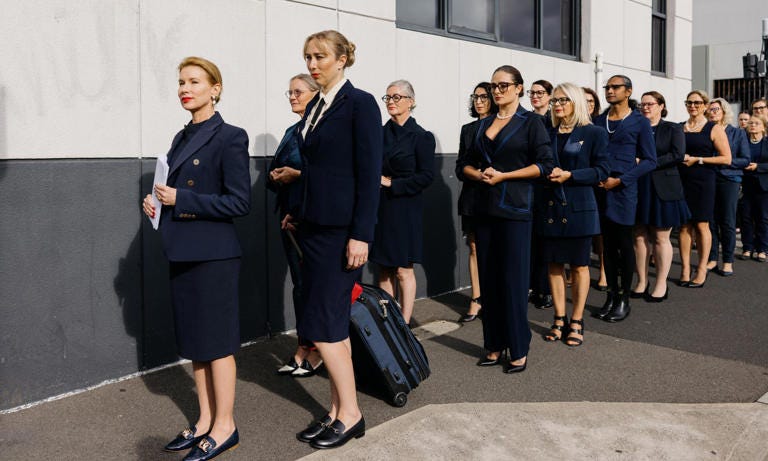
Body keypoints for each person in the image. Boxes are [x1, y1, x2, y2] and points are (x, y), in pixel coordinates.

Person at [142, 57, 251, 461]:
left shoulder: (231, 137)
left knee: (218, 344)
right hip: (183, 252)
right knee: (198, 344)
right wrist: (157, 205)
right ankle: (205, 420)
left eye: (194, 81)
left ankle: (226, 426)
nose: (184, 88)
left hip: (214, 256)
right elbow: (172, 191)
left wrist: (181, 199)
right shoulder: (181, 136)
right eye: (181, 82)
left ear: (215, 88)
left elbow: (240, 201)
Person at [290, 30, 382, 450]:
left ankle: (352, 414)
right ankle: (336, 410)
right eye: (308, 56)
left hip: (340, 234)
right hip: (313, 228)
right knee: (331, 325)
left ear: (343, 59)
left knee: (325, 327)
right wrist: (298, 207)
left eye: (321, 56)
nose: (313, 64)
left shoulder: (359, 103)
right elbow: (316, 169)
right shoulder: (317, 106)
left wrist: (361, 234)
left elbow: (367, 174)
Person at [463, 65, 554, 373]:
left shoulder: (532, 123)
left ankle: (518, 346)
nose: (497, 91)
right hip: (484, 208)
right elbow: (465, 163)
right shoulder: (481, 124)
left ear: (519, 88)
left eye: (504, 85)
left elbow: (544, 165)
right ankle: (493, 344)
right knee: (489, 282)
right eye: (494, 86)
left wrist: (504, 176)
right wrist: (480, 175)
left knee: (513, 281)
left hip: (515, 210)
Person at [538, 82, 608, 346]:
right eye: (554, 101)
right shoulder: (546, 132)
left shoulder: (594, 133)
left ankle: (576, 320)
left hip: (579, 207)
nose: (558, 105)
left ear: (576, 102)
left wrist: (571, 175)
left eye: (563, 100)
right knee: (554, 265)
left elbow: (602, 170)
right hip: (550, 207)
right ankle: (559, 318)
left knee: (579, 266)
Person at [268, 74, 323, 377]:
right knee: (300, 287)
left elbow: (326, 176)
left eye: (298, 91)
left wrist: (296, 175)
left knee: (313, 287)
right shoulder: (292, 130)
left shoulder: (320, 129)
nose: (292, 96)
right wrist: (277, 176)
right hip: (288, 218)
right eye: (288, 92)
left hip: (310, 219)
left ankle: (315, 350)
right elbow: (273, 169)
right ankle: (303, 347)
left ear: (315, 94)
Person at [593, 75, 657, 322]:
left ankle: (623, 299)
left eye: (615, 87)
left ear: (628, 91)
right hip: (600, 189)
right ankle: (610, 295)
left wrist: (621, 180)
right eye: (607, 87)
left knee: (623, 244)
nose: (609, 90)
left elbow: (650, 161)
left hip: (623, 190)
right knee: (606, 247)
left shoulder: (640, 122)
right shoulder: (599, 120)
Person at [371, 80, 435, 324]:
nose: (391, 102)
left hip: (405, 208)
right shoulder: (378, 133)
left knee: (402, 268)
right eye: (387, 98)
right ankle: (389, 321)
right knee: (384, 267)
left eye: (397, 97)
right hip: (380, 207)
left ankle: (405, 323)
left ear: (411, 101)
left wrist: (392, 183)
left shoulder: (421, 137)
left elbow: (426, 176)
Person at [633, 91, 690, 302]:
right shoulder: (635, 128)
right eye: (642, 104)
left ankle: (661, 283)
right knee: (638, 234)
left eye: (650, 104)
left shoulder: (673, 128)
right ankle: (641, 281)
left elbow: (678, 155)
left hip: (663, 186)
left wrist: (648, 162)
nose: (645, 107)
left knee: (660, 237)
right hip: (638, 185)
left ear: (661, 106)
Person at [678, 90, 732, 288]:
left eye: (697, 103)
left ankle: (701, 269)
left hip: (704, 180)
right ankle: (685, 268)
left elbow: (727, 158)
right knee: (684, 226)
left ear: (705, 105)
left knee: (701, 225)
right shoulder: (679, 127)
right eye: (689, 102)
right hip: (682, 180)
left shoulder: (714, 128)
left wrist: (698, 160)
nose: (693, 106)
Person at [456, 82, 498, 322]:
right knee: (473, 246)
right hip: (472, 193)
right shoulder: (468, 129)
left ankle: (494, 296)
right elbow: (461, 166)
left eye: (484, 96)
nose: (479, 101)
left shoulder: (501, 124)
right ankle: (477, 297)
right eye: (475, 97)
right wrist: (477, 174)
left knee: (494, 248)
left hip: (495, 194)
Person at [705, 98, 750, 276]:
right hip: (709, 179)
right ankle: (713, 258)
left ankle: (728, 260)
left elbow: (745, 159)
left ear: (724, 111)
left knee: (728, 221)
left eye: (716, 109)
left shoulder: (737, 133)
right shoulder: (706, 130)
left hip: (729, 179)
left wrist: (725, 162)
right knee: (711, 221)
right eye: (710, 109)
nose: (712, 112)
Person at [528, 79, 555, 308]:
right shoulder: (526, 120)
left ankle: (545, 289)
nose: (535, 96)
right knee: (531, 240)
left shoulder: (554, 121)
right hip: (529, 184)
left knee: (546, 241)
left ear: (549, 96)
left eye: (540, 92)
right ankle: (532, 286)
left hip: (549, 184)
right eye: (532, 92)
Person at [583, 86, 607, 291]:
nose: (588, 104)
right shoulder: (571, 125)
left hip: (598, 183)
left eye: (591, 101)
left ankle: (604, 270)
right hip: (579, 183)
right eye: (584, 101)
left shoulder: (601, 125)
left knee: (600, 231)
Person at [740, 115, 768, 261]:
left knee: (762, 218)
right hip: (746, 185)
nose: (752, 125)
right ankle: (747, 247)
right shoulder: (743, 142)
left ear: (763, 127)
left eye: (757, 123)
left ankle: (762, 249)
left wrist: (758, 167)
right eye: (750, 123)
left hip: (764, 187)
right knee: (746, 218)